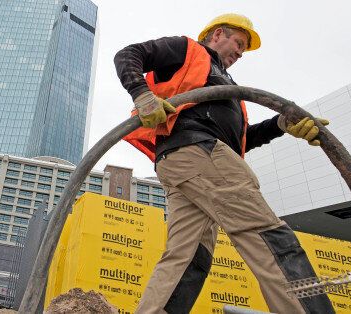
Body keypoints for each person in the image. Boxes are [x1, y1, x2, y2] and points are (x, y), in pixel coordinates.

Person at [114, 13, 335, 314]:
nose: (240, 53)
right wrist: (143, 96)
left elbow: (241, 141)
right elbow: (128, 55)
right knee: (265, 233)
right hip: (197, 152)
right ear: (218, 34)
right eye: (239, 43)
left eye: (243, 49)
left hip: (186, 164)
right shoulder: (188, 50)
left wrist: (280, 124)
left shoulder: (227, 87)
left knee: (189, 256)